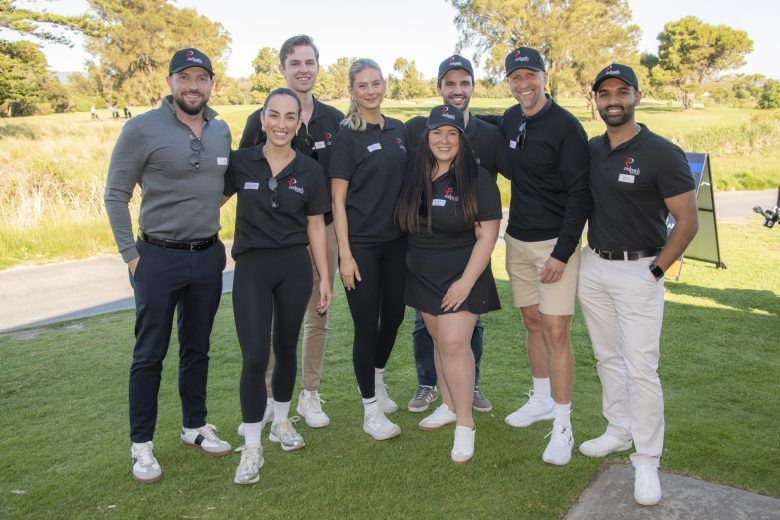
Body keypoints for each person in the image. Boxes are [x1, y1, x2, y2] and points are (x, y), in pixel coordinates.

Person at [104, 48, 232, 483]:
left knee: (197, 348)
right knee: (149, 354)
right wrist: (132, 257)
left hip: (208, 256)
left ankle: (194, 427)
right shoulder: (141, 129)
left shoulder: (221, 130)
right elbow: (115, 194)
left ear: (211, 84)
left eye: (202, 77)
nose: (193, 85)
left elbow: (220, 185)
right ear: (171, 82)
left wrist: (203, 217)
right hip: (156, 257)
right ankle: (141, 446)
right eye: (185, 77)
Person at [578, 64, 698, 505]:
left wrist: (656, 271)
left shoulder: (662, 153)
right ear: (596, 100)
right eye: (605, 92)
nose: (613, 99)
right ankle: (617, 429)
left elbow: (688, 222)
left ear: (637, 97)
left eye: (621, 92)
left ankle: (647, 459)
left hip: (640, 270)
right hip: (595, 267)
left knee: (641, 368)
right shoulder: (591, 150)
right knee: (607, 357)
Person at [477, 47, 590, 465]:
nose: (523, 84)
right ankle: (541, 398)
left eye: (530, 76)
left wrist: (562, 253)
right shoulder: (511, 118)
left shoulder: (565, 127)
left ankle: (563, 423)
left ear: (545, 76)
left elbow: (580, 194)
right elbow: (486, 129)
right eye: (515, 77)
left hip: (553, 247)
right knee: (532, 322)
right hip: (518, 241)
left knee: (557, 333)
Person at [226, 88, 332, 485]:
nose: (281, 124)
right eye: (274, 115)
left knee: (286, 348)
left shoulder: (309, 170)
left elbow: (316, 226)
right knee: (255, 355)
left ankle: (282, 423)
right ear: (262, 118)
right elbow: (207, 199)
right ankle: (251, 446)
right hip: (253, 267)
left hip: (294, 267)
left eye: (290, 117)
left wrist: (323, 277)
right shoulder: (241, 163)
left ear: (298, 123)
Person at [238, 35, 343, 429]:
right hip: (270, 239)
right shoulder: (259, 119)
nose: (303, 69)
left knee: (318, 313)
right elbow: (244, 172)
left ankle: (309, 394)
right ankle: (267, 395)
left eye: (310, 62)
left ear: (318, 67)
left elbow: (340, 181)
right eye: (295, 62)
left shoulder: (333, 119)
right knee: (267, 322)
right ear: (282, 68)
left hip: (322, 229)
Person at [397, 104, 501, 463]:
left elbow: (487, 236)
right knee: (440, 340)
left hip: (462, 272)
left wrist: (466, 282)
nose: (444, 140)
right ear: (426, 137)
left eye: (452, 133)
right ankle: (447, 404)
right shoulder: (415, 172)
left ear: (462, 139)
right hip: (423, 272)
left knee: (456, 343)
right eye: (437, 132)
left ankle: (465, 424)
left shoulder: (476, 177)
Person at [404, 55, 504, 414]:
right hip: (426, 255)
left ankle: (468, 390)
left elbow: (520, 174)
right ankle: (431, 385)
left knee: (460, 333)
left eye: (464, 83)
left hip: (466, 248)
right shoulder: (418, 132)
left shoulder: (490, 135)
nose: (457, 90)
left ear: (474, 87)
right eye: (450, 83)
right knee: (429, 328)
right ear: (440, 88)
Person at [330, 59, 409, 440]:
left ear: (384, 86)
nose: (370, 91)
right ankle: (369, 411)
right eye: (362, 85)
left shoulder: (398, 130)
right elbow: (337, 200)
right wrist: (344, 254)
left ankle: (378, 380)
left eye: (376, 83)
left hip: (397, 244)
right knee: (366, 326)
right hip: (361, 246)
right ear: (352, 91)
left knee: (392, 318)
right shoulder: (346, 135)